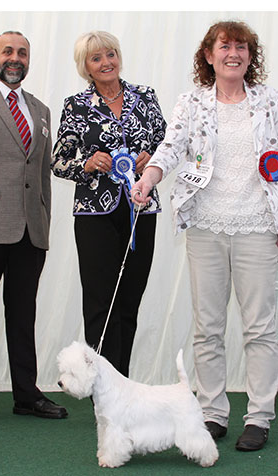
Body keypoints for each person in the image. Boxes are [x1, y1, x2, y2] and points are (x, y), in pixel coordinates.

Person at [131, 20, 278, 452]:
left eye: (242, 47)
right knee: (207, 327)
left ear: (250, 56)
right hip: (206, 227)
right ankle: (212, 413)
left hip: (258, 225)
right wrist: (149, 178)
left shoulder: (269, 101)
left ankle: (260, 416)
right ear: (209, 55)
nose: (233, 53)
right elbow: (171, 147)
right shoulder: (192, 102)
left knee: (260, 328)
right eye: (224, 46)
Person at [51, 31, 166, 377]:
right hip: (94, 215)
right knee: (102, 303)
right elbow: (58, 161)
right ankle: (101, 385)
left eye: (111, 54)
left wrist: (153, 157)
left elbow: (171, 144)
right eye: (96, 58)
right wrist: (86, 164)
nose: (106, 63)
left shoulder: (145, 97)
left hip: (140, 210)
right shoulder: (75, 104)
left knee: (129, 300)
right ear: (85, 66)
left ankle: (123, 384)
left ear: (119, 57)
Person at [0, 31, 67, 421]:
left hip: (30, 230)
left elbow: (41, 174)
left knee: (23, 314)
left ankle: (27, 395)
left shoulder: (41, 110)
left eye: (23, 53)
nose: (15, 58)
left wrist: (44, 219)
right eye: (9, 51)